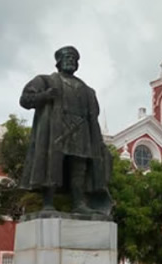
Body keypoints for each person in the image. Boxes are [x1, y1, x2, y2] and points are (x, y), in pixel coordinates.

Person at [19, 45, 112, 216]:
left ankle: (79, 203)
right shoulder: (45, 81)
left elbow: (94, 115)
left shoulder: (87, 90)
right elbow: (25, 99)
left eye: (74, 59)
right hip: (55, 131)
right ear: (59, 62)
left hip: (82, 132)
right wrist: (45, 96)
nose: (71, 61)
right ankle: (48, 203)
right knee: (52, 165)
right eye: (67, 57)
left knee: (79, 168)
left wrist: (97, 142)